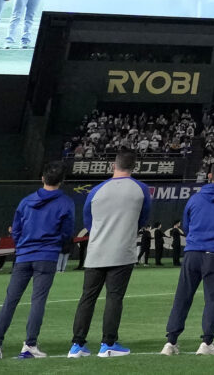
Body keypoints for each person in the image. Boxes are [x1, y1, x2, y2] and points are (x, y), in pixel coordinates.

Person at [0, 164, 76, 359]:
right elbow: (67, 231)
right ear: (61, 181)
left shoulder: (26, 201)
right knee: (38, 301)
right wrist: (55, 245)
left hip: (24, 256)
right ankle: (29, 344)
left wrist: (22, 246)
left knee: (10, 301)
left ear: (42, 178)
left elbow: (16, 229)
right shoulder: (65, 202)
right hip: (46, 256)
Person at [162, 164, 214, 354]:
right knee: (212, 299)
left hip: (193, 252)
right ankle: (207, 343)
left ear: (209, 176)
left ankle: (170, 342)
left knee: (182, 297)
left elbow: (187, 224)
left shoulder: (195, 198)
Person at [70, 151, 146, 356]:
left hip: (96, 251)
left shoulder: (96, 190)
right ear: (134, 167)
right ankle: (108, 343)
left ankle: (77, 345)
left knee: (87, 297)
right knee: (114, 297)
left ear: (114, 165)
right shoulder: (142, 189)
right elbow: (143, 218)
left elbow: (88, 220)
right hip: (122, 251)